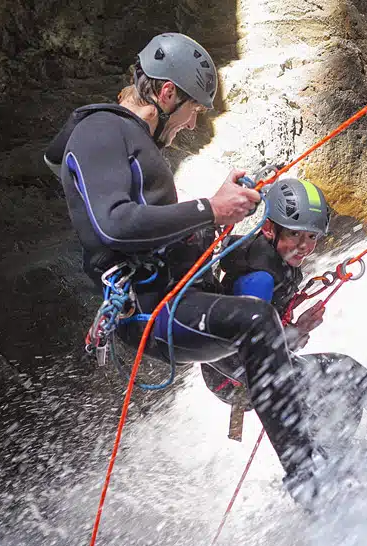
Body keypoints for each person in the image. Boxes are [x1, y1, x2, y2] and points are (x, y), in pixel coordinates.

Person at [43, 32, 334, 506]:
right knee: (255, 322)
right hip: (153, 311)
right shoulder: (99, 130)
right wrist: (209, 210)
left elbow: (149, 228)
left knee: (261, 323)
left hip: (175, 298)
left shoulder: (129, 141)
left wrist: (212, 222)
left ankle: (321, 455)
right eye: (193, 108)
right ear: (166, 92)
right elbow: (113, 226)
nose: (193, 122)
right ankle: (308, 479)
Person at [200, 179, 367, 451]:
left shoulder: (271, 260)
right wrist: (293, 334)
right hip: (235, 376)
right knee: (345, 372)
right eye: (295, 234)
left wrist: (297, 327)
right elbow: (249, 348)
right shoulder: (259, 279)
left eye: (312, 236)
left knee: (338, 395)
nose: (304, 245)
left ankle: (342, 455)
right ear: (270, 229)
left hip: (233, 371)